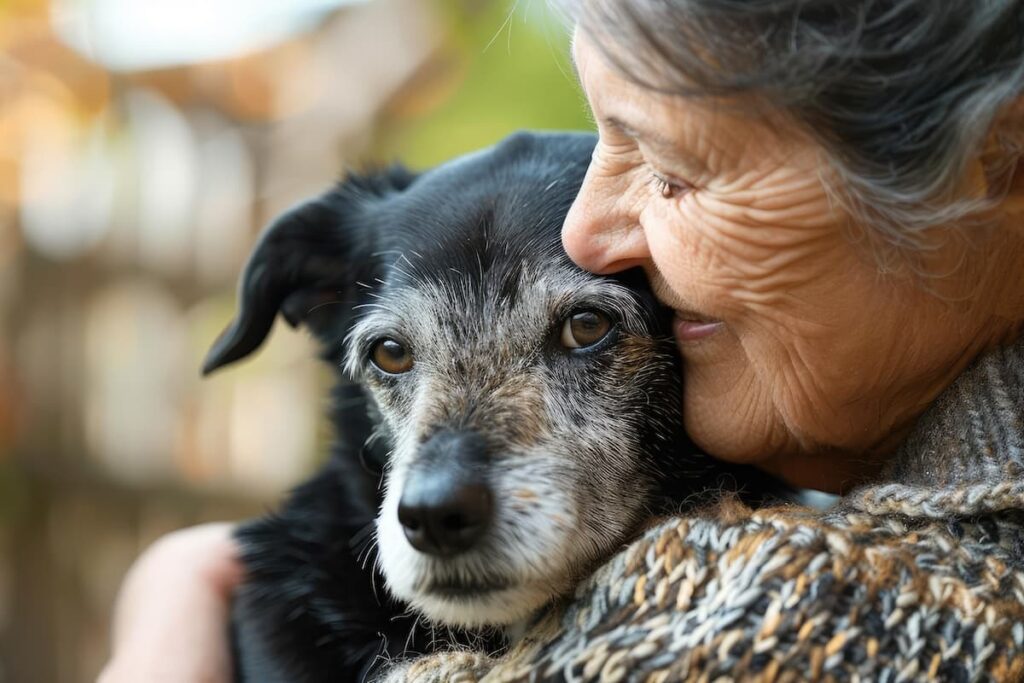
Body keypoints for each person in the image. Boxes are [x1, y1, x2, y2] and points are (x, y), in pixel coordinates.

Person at [101, 1, 1024, 680]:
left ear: (998, 161)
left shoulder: (815, 622)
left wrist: (169, 615)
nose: (590, 230)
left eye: (672, 165)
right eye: (393, 355)